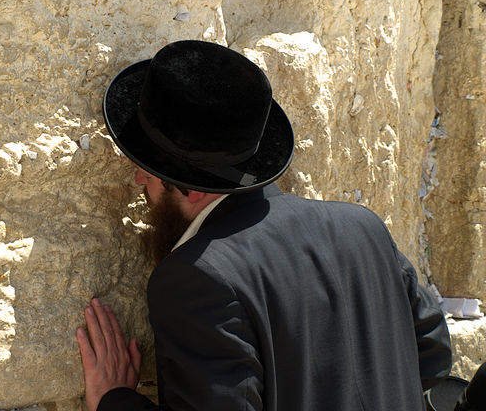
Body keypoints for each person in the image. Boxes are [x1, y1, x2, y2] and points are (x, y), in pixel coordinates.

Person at [75, 40, 452, 411]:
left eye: (149, 168)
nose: (139, 178)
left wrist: (114, 400)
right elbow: (433, 353)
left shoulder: (196, 277)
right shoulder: (363, 228)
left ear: (190, 189)